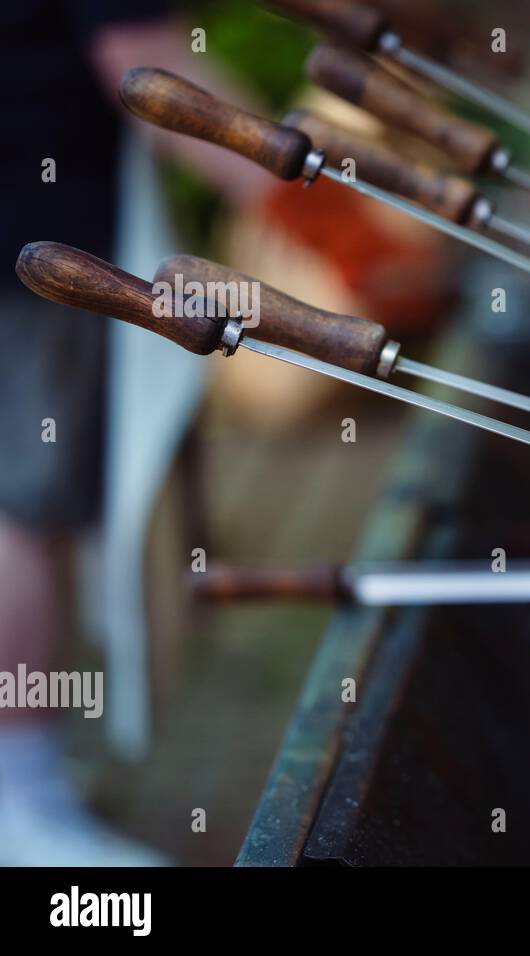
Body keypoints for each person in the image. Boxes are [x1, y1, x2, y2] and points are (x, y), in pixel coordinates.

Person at [0, 0, 272, 866]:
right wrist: (300, 194)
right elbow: (149, 67)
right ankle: (20, 805)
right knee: (20, 520)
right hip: (30, 242)